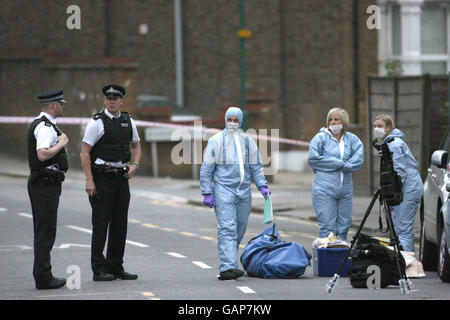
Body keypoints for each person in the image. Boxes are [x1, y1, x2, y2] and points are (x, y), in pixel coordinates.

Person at [200, 106, 271, 280]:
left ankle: (230, 260)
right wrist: (207, 191)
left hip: (244, 191)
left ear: (241, 121)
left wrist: (262, 186)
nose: (232, 123)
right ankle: (227, 267)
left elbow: (256, 166)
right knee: (227, 228)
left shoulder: (248, 141)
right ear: (225, 120)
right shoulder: (216, 141)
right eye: (229, 120)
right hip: (224, 189)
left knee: (240, 228)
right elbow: (207, 168)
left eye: (235, 120)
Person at [80, 84, 141, 281]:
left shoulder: (128, 121)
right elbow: (85, 151)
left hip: (121, 178)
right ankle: (99, 268)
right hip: (102, 178)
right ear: (105, 100)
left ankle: (116, 266)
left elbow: (136, 146)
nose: (112, 101)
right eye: (108, 98)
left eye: (115, 98)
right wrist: (89, 180)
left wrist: (134, 165)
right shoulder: (96, 123)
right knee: (100, 224)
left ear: (121, 100)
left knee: (120, 224)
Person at [27, 88, 69, 289]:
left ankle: (43, 274)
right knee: (45, 231)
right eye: (60, 104)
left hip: (46, 182)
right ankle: (44, 277)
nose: (62, 107)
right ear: (53, 105)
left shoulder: (46, 124)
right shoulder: (45, 127)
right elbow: (43, 154)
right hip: (45, 183)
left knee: (45, 230)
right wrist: (61, 144)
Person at [308, 107, 364, 241]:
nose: (333, 122)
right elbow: (314, 160)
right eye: (330, 120)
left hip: (345, 190)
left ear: (344, 121)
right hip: (324, 189)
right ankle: (328, 258)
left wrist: (347, 166)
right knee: (327, 228)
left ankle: (341, 258)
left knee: (344, 227)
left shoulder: (352, 139)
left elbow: (358, 158)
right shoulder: (320, 138)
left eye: (336, 119)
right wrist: (339, 164)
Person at [373, 115, 423, 253]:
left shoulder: (394, 143)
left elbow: (399, 170)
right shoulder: (388, 143)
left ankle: (407, 264)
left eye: (380, 126)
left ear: (389, 128)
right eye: (375, 126)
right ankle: (402, 262)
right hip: (404, 187)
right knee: (398, 228)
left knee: (403, 228)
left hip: (408, 188)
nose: (376, 129)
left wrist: (393, 191)